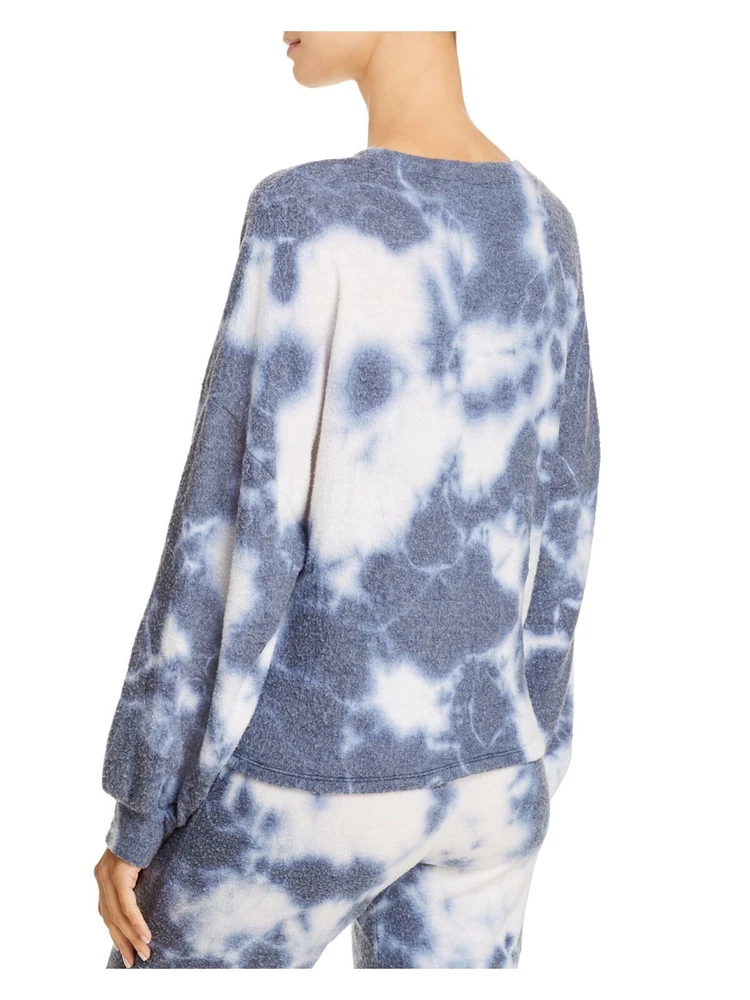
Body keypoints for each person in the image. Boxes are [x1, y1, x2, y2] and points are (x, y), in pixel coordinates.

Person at [94, 30, 601, 969]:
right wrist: (532, 748)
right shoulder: (544, 223)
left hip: (306, 783)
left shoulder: (305, 213)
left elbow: (228, 531)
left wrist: (144, 799)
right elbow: (567, 514)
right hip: (492, 789)